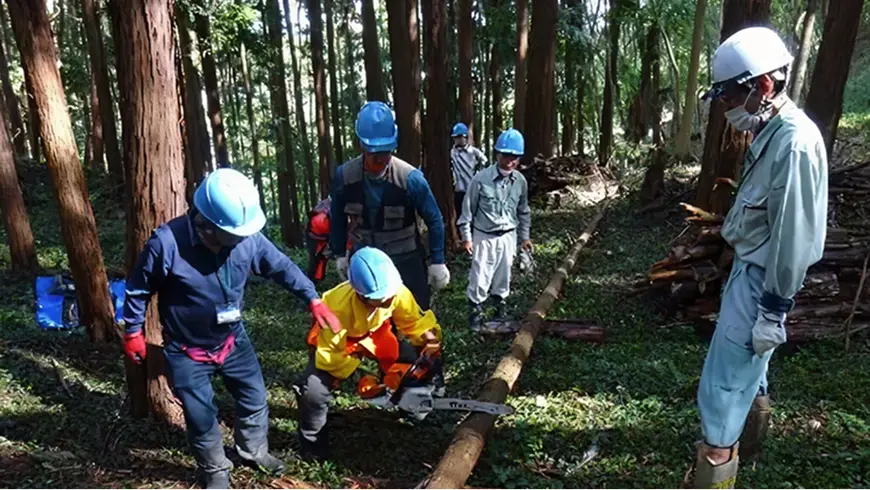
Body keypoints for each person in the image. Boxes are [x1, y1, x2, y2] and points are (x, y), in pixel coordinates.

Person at [120, 169, 341, 489]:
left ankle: (252, 451)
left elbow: (281, 266)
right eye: (235, 234)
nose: (242, 239)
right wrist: (133, 332)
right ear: (209, 226)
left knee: (254, 397)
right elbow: (138, 289)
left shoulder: (247, 238)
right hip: (186, 350)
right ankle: (214, 471)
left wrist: (312, 298)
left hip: (232, 339)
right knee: (201, 417)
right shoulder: (167, 243)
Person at [694, 27, 828, 488]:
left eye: (731, 94)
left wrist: (773, 309)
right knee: (749, 381)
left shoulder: (793, 142)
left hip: (762, 284)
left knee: (721, 395)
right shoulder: (772, 133)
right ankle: (744, 450)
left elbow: (792, 235)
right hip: (753, 274)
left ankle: (718, 465)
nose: (728, 105)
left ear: (762, 85)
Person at [293, 246, 442, 460]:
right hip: (339, 345)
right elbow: (331, 357)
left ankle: (413, 409)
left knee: (410, 362)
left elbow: (413, 320)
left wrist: (429, 340)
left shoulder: (395, 290)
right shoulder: (336, 306)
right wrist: (366, 382)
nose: (390, 300)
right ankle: (313, 444)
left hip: (376, 335)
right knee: (313, 390)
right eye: (382, 299)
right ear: (361, 296)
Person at [330, 101, 449, 310]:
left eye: (386, 151)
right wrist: (340, 254)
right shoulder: (344, 176)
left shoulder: (410, 178)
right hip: (366, 262)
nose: (381, 159)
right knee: (369, 322)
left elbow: (434, 219)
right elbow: (337, 217)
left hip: (406, 260)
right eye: (375, 153)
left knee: (416, 317)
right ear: (362, 147)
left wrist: (438, 261)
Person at [457, 129, 532, 332]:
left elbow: (523, 211)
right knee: (480, 276)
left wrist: (525, 238)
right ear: (498, 154)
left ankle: (500, 311)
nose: (509, 161)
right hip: (484, 235)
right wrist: (467, 237)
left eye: (514, 157)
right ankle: (475, 315)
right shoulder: (480, 180)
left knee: (503, 275)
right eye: (506, 155)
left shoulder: (520, 182)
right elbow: (467, 211)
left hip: (508, 235)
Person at [450, 122, 487, 220]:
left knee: (473, 214)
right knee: (460, 215)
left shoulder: (473, 151)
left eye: (460, 137)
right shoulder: (452, 152)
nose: (458, 139)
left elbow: (484, 160)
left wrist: (479, 173)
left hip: (472, 188)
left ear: (465, 137)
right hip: (459, 189)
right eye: (456, 137)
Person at [305, 197, 333, 283]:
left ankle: (318, 278)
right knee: (315, 258)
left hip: (323, 234)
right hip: (315, 235)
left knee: (322, 258)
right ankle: (311, 280)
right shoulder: (320, 218)